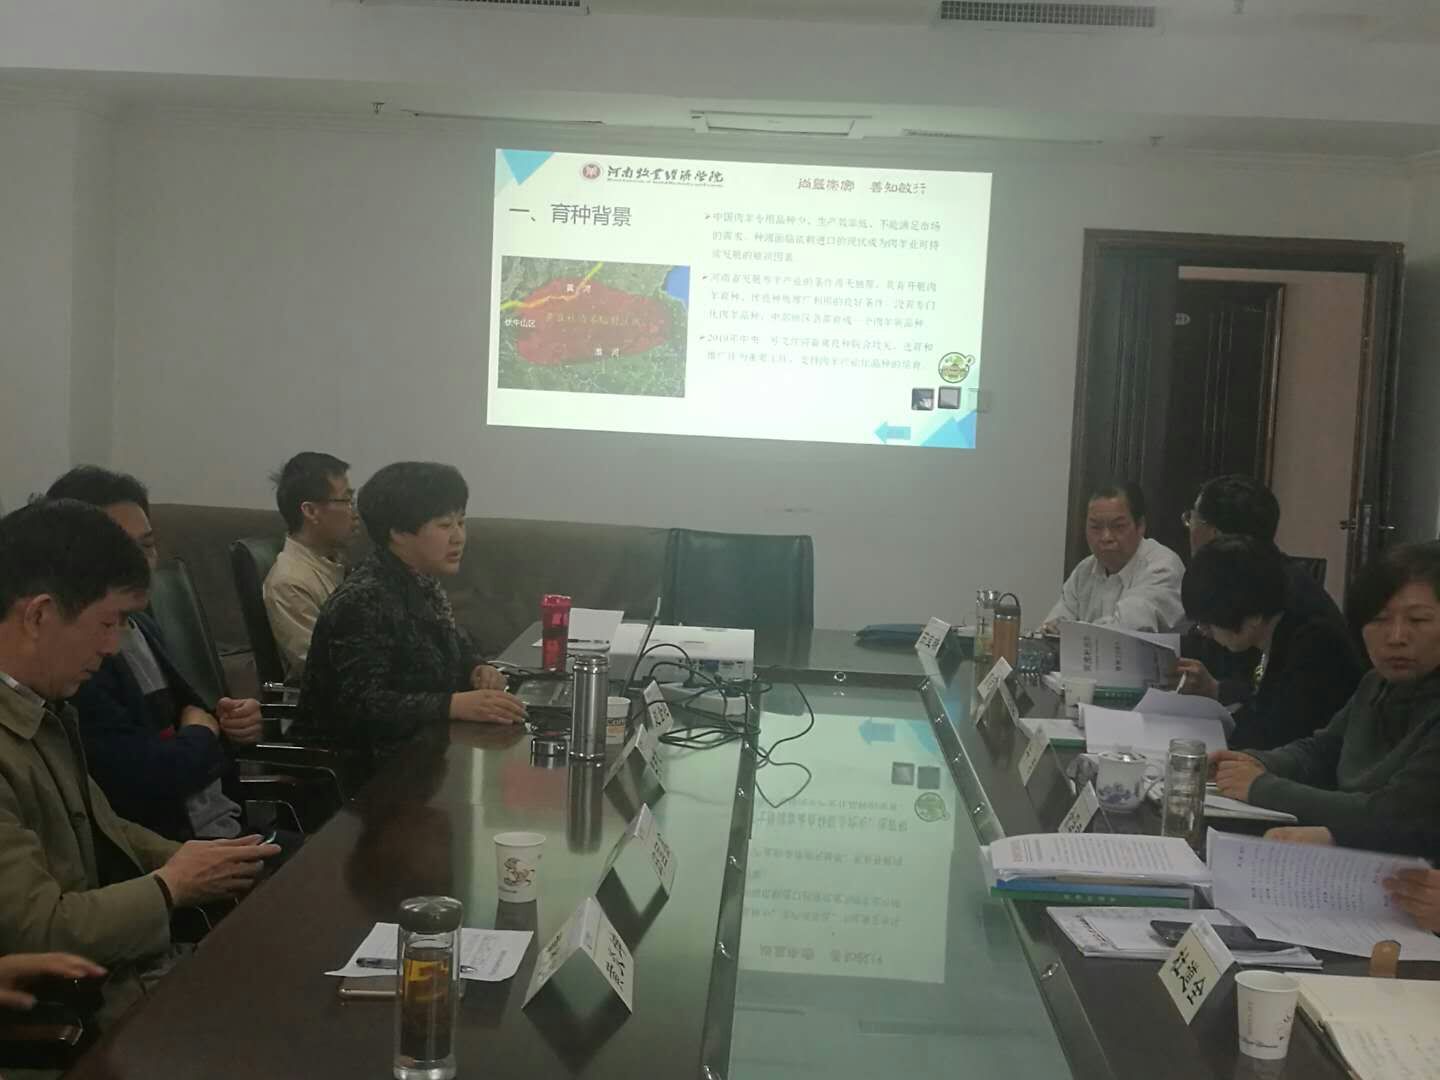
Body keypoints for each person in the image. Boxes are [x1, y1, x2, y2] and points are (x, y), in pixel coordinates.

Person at [0, 500, 279, 1021]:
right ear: (39, 615)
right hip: (70, 1018)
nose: (113, 648)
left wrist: (205, 860)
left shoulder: (45, 705)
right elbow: (40, 932)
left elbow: (105, 826)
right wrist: (172, 885)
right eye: (109, 623)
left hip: (119, 975)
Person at [45, 467, 263, 842]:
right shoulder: (75, 659)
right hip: (178, 850)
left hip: (227, 828)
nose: (141, 563)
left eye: (146, 546)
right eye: (119, 550)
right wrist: (201, 734)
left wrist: (232, 725)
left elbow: (192, 721)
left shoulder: (144, 627)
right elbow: (142, 779)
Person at [1210, 541, 1440, 847]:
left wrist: (1260, 787)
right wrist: (1256, 762)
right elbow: (1323, 750)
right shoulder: (1376, 683)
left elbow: (1392, 815)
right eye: (1379, 619)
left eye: (1419, 620)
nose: (1396, 637)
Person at [299, 462, 526, 768]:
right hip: (360, 772)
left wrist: (476, 667)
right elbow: (362, 705)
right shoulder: (363, 599)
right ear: (398, 533)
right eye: (445, 526)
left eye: (461, 522)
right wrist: (451, 705)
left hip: (420, 753)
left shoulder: (420, 581)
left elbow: (451, 645)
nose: (458, 537)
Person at [1179, 535, 1363, 750]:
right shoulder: (1276, 629)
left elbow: (1275, 736)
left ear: (1253, 618)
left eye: (1209, 624)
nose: (1204, 633)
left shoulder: (1314, 647)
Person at [1175, 474, 1346, 704]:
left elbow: (1268, 695)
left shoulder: (1281, 600)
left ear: (1215, 535)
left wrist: (1219, 689)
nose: (1188, 529)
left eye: (1191, 519)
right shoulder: (1261, 575)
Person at [1041, 480, 1184, 633]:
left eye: (1118, 526)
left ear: (1140, 526)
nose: (1106, 537)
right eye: (1095, 527)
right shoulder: (1084, 571)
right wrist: (1053, 629)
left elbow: (1124, 630)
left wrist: (1067, 631)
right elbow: (1054, 624)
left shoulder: (1163, 566)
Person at [263, 452, 357, 681]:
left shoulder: (337, 562)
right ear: (311, 511)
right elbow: (324, 669)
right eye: (346, 501)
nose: (355, 513)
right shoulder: (289, 582)